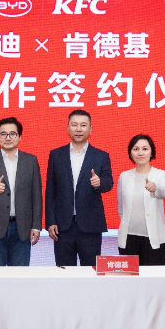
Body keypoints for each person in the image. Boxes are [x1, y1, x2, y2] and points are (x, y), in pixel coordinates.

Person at [45, 109, 113, 266]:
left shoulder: (101, 155)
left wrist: (100, 182)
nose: (78, 129)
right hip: (62, 227)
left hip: (90, 227)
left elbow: (108, 182)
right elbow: (50, 191)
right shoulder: (56, 155)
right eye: (74, 125)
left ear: (90, 129)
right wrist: (50, 221)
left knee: (90, 272)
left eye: (83, 125)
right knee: (64, 272)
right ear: (67, 128)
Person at [0, 117, 42, 266]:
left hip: (22, 228)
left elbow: (36, 195)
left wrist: (36, 226)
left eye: (12, 134)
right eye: (3, 134)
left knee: (19, 275)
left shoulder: (30, 160)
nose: (8, 138)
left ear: (19, 137)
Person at [117, 135, 165, 265]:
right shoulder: (124, 176)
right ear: (130, 153)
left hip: (154, 237)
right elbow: (121, 206)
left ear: (151, 152)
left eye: (145, 149)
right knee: (130, 276)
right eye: (136, 149)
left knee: (154, 276)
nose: (140, 153)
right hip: (128, 238)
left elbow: (164, 192)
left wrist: (155, 188)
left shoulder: (160, 174)